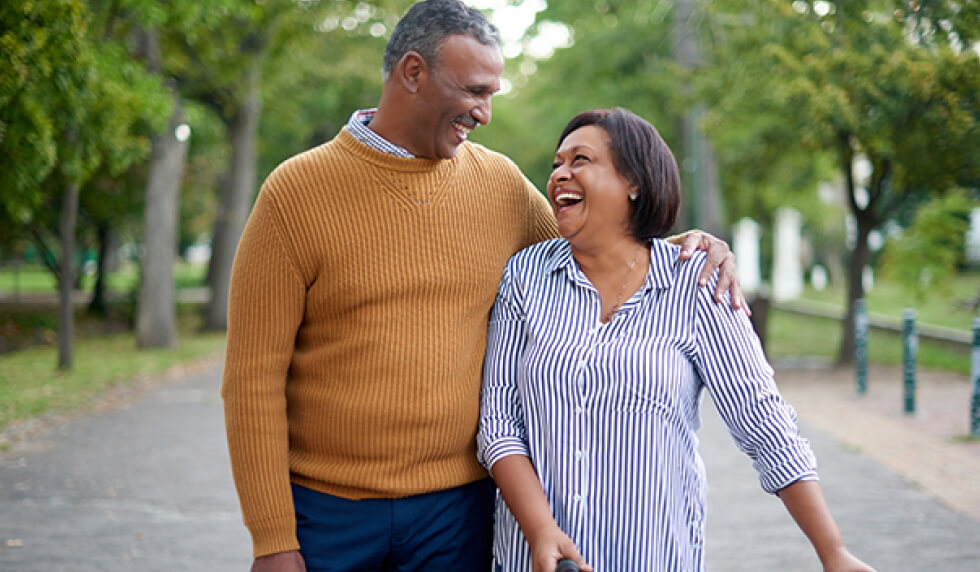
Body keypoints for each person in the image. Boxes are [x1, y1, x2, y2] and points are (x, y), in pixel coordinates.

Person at [221, 2, 742, 571]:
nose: (485, 114)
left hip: (458, 514)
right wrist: (271, 538)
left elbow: (597, 251)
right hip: (328, 513)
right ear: (413, 73)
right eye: (474, 90)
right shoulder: (294, 194)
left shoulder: (500, 186)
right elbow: (252, 380)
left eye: (492, 93)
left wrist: (685, 248)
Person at [477, 108, 876, 572]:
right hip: (534, 558)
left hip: (652, 555)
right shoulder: (526, 275)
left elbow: (761, 419)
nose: (561, 174)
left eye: (580, 160)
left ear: (635, 183)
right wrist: (540, 529)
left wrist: (833, 552)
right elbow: (499, 421)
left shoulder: (698, 283)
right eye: (556, 163)